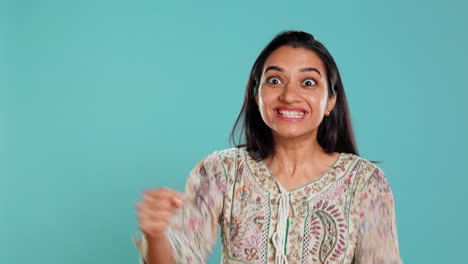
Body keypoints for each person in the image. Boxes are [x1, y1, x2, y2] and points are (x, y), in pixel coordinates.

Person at [134, 30, 402, 264]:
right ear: (256, 94)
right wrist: (155, 235)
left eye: (308, 82)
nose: (288, 95)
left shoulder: (365, 182)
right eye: (274, 80)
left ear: (330, 101)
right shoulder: (222, 172)